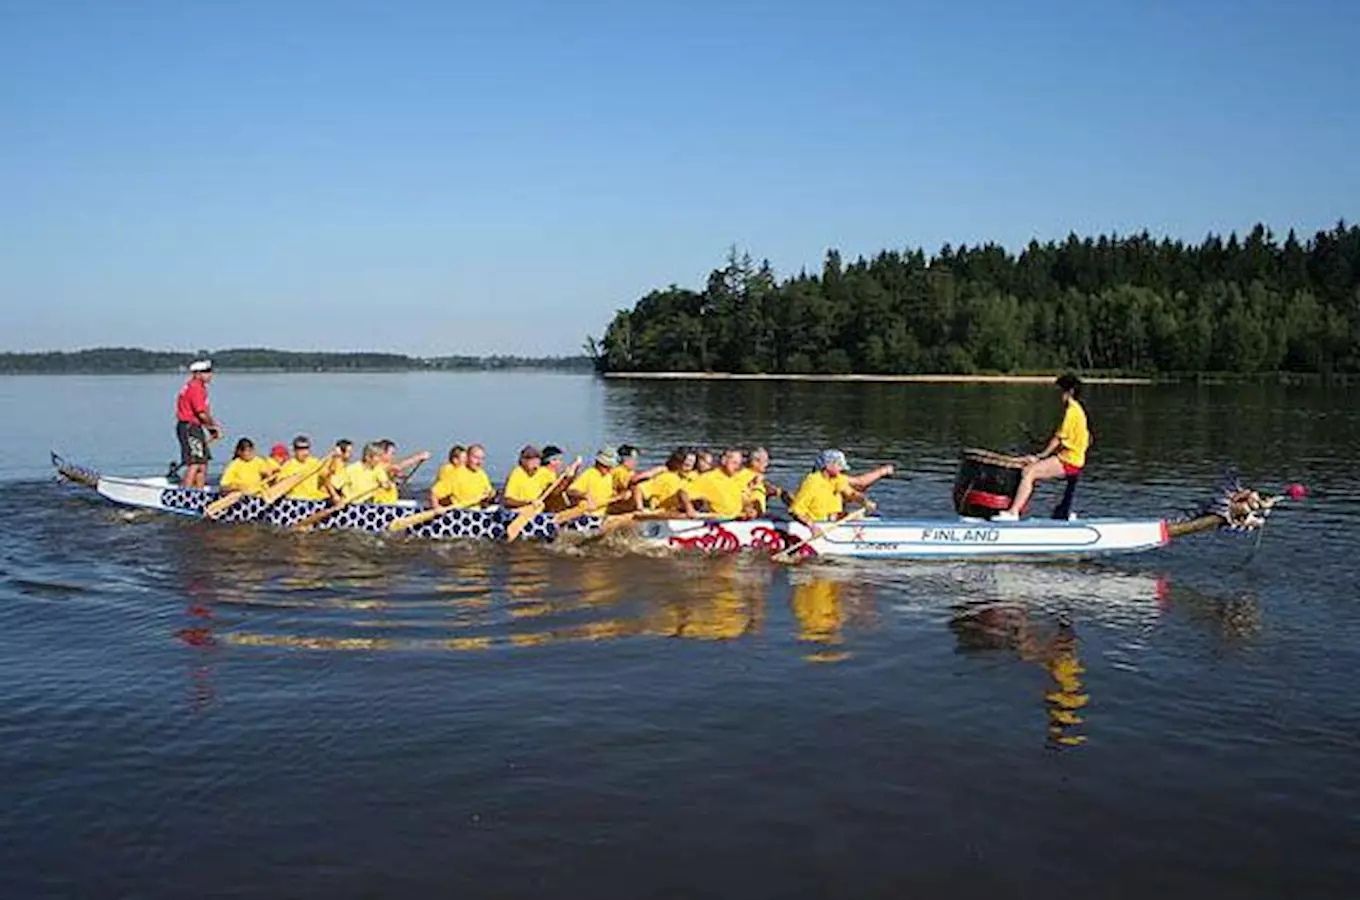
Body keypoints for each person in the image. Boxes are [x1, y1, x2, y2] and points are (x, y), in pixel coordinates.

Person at [995, 374, 1091, 521]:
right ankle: (1063, 512)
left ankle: (1013, 512)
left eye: (1061, 391)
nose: (1059, 396)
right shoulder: (1078, 410)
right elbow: (1087, 438)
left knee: (1029, 472)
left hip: (1070, 460)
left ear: (1070, 392)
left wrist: (1041, 456)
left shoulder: (1072, 411)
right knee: (1030, 469)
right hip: (1071, 458)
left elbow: (1058, 439)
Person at [789, 449, 872, 526]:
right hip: (819, 523)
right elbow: (796, 510)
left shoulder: (838, 478)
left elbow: (851, 493)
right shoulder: (812, 482)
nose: (841, 469)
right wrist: (812, 526)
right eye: (839, 465)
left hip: (834, 520)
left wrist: (864, 500)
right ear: (828, 466)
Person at [174, 360, 221, 489]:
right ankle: (185, 494)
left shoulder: (196, 387)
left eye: (210, 371)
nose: (210, 375)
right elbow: (201, 413)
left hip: (193, 426)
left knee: (202, 463)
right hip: (189, 427)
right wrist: (213, 427)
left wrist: (209, 428)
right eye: (206, 372)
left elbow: (201, 415)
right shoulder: (196, 388)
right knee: (194, 463)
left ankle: (199, 492)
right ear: (197, 374)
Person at [678, 448, 749, 519]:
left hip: (739, 518)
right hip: (718, 520)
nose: (737, 467)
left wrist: (748, 508)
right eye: (734, 463)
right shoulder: (709, 478)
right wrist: (689, 508)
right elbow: (683, 492)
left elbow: (743, 498)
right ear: (724, 460)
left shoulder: (737, 478)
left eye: (739, 464)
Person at [430, 443, 496, 509]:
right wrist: (437, 508)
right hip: (462, 512)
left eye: (482, 459)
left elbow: (488, 494)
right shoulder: (456, 474)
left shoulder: (482, 474)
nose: (479, 462)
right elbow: (434, 492)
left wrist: (490, 496)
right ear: (467, 457)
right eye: (476, 458)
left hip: (478, 511)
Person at [734, 447, 789, 517]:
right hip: (748, 517)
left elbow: (778, 492)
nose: (767, 464)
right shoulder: (748, 477)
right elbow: (740, 495)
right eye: (765, 461)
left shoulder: (756, 477)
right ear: (754, 462)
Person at [641, 448, 696, 513]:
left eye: (692, 461)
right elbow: (640, 487)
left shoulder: (696, 476)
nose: (690, 463)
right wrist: (640, 508)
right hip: (664, 511)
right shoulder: (665, 476)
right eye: (688, 460)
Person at [376, 439, 430, 503]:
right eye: (392, 453)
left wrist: (400, 477)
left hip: (390, 502)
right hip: (382, 505)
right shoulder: (378, 465)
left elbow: (397, 473)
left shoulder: (387, 467)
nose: (393, 456)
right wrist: (419, 457)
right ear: (382, 453)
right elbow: (398, 467)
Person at [278, 435, 330, 501]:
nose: (304, 452)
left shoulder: (315, 463)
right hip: (296, 499)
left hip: (312, 499)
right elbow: (280, 485)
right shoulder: (288, 465)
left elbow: (327, 476)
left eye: (306, 448)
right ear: (294, 450)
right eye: (300, 449)